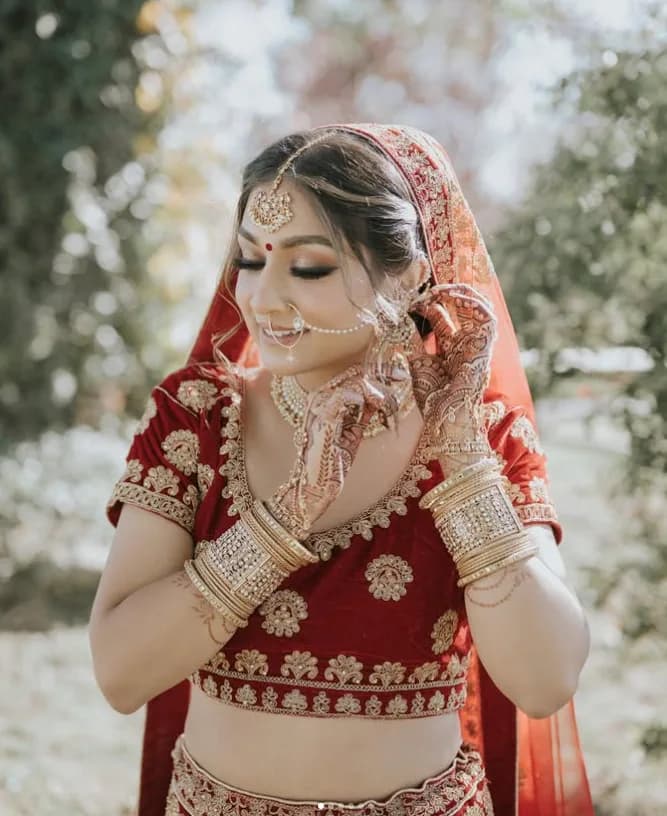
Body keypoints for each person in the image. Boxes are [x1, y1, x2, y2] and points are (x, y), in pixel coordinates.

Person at [89, 124, 594, 816]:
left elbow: (543, 682)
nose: (263, 299)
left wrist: (457, 451)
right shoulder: (198, 418)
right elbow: (120, 675)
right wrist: (282, 517)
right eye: (248, 260)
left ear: (410, 274)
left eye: (309, 268)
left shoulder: (481, 436)